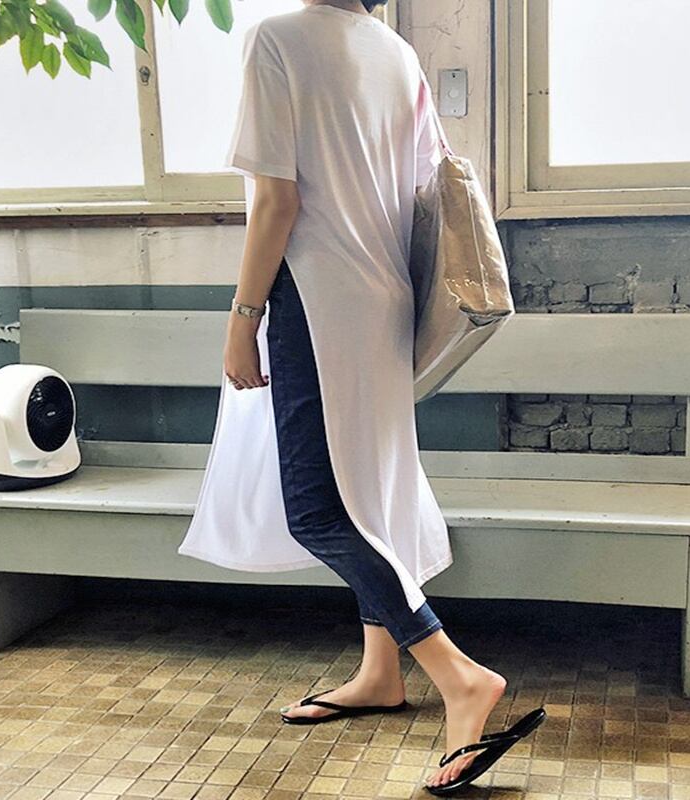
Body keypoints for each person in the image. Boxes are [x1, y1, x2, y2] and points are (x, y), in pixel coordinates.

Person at [208, 0, 545, 792]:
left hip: (316, 302)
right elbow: (420, 188)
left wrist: (243, 318)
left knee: (318, 508)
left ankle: (459, 675)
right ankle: (379, 672)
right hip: (386, 299)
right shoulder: (393, 52)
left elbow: (277, 202)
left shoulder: (276, 40)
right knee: (375, 489)